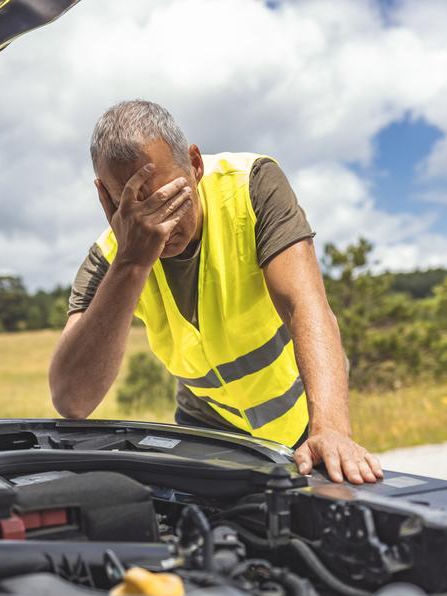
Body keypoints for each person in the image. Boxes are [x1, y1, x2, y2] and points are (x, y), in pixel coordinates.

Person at [49, 100, 382, 485]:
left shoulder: (252, 184)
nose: (158, 226)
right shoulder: (110, 258)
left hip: (304, 424)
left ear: (195, 164)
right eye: (134, 207)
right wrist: (132, 263)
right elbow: (72, 399)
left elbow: (304, 306)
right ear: (104, 197)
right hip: (208, 431)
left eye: (168, 200)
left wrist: (331, 430)